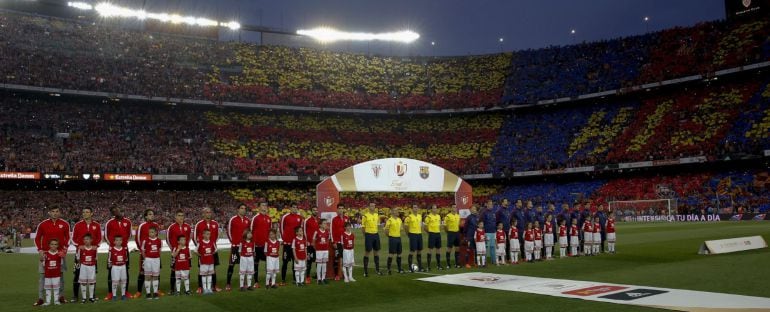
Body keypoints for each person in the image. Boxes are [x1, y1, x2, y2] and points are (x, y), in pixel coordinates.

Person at [34, 205, 70, 306]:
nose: (55, 213)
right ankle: (41, 298)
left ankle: (61, 297)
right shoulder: (43, 224)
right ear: (49, 212)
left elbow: (67, 238)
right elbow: (37, 238)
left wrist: (64, 251)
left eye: (57, 211)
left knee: (61, 276)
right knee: (42, 276)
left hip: (59, 254)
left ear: (59, 212)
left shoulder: (64, 224)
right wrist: (40, 250)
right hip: (45, 254)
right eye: (53, 211)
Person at [71, 207, 101, 302]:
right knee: (77, 274)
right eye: (83, 212)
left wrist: (96, 246)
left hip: (92, 254)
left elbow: (100, 238)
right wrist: (79, 246)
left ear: (91, 213)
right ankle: (75, 296)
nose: (85, 213)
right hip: (79, 255)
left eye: (87, 212)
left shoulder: (97, 225)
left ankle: (92, 295)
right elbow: (73, 238)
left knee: (92, 275)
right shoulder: (78, 225)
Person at [104, 206, 131, 301]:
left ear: (120, 210)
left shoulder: (127, 222)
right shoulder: (109, 223)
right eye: (113, 211)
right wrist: (113, 246)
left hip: (124, 249)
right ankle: (111, 293)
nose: (116, 212)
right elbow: (106, 236)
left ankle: (125, 292)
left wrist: (123, 245)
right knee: (110, 271)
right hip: (113, 249)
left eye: (117, 210)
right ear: (112, 213)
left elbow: (129, 234)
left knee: (126, 269)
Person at [194, 207, 220, 293]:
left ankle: (214, 286)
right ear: (203, 214)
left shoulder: (215, 224)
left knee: (213, 268)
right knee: (201, 269)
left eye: (209, 212)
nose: (208, 214)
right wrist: (200, 248)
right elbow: (194, 237)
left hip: (212, 249)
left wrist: (212, 245)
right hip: (202, 251)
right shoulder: (199, 224)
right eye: (206, 212)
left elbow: (217, 236)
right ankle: (200, 287)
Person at [134, 209, 158, 299]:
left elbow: (157, 239)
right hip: (145, 254)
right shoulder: (142, 226)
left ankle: (156, 290)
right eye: (150, 214)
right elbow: (137, 239)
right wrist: (142, 251)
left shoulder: (156, 225)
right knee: (142, 272)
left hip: (155, 254)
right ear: (146, 216)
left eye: (153, 214)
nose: (152, 215)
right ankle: (139, 291)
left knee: (156, 272)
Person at [166, 210, 192, 295]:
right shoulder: (171, 227)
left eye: (182, 215)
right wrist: (173, 249)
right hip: (176, 252)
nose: (181, 217)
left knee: (187, 270)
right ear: (175, 217)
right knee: (173, 270)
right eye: (179, 215)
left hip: (185, 252)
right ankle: (172, 289)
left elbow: (189, 238)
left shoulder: (187, 227)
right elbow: (167, 239)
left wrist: (186, 248)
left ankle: (187, 289)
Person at [226, 204, 251, 291]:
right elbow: (228, 231)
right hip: (235, 247)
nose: (243, 210)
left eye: (245, 208)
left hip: (244, 247)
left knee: (244, 266)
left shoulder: (248, 220)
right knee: (231, 265)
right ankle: (228, 283)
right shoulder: (233, 219)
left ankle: (244, 283)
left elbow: (249, 233)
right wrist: (233, 242)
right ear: (238, 209)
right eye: (241, 208)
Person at [280, 203, 303, 284]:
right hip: (287, 244)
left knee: (295, 262)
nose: (295, 209)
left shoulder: (299, 218)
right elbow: (281, 228)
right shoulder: (285, 217)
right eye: (293, 207)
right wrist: (283, 239)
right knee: (285, 262)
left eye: (296, 207)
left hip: (295, 244)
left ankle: (294, 279)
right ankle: (283, 279)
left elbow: (300, 230)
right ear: (290, 208)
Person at [251, 202, 271, 288]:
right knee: (256, 264)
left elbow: (270, 232)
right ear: (259, 207)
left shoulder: (269, 218)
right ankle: (256, 281)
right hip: (256, 246)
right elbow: (251, 231)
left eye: (265, 205)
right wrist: (252, 245)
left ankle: (269, 280)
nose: (264, 207)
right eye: (262, 205)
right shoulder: (255, 218)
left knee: (268, 263)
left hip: (266, 245)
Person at [140, 227, 162, 299]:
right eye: (149, 232)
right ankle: (148, 293)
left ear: (156, 232)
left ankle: (155, 293)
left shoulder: (159, 241)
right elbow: (143, 250)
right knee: (147, 276)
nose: (150, 233)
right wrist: (145, 258)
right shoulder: (145, 241)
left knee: (156, 276)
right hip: (148, 260)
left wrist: (157, 257)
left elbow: (159, 251)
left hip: (156, 260)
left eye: (152, 232)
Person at [361, 202, 382, 276]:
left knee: (376, 252)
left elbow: (378, 225)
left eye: (374, 206)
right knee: (367, 252)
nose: (372, 207)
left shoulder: (377, 215)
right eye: (371, 206)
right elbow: (363, 227)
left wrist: (376, 232)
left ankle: (377, 270)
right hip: (368, 235)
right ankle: (365, 271)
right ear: (369, 207)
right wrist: (365, 235)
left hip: (376, 235)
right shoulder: (365, 216)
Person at [195, 228, 217, 295]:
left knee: (210, 274)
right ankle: (204, 289)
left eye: (209, 234)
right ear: (203, 235)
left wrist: (210, 255)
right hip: (203, 262)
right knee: (204, 275)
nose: (208, 235)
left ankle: (209, 288)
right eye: (207, 234)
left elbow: (215, 250)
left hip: (211, 261)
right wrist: (201, 256)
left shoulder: (212, 242)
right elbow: (195, 251)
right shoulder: (200, 243)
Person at [76, 234, 97, 303]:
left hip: (92, 267)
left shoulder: (94, 248)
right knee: (83, 282)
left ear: (91, 240)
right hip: (83, 266)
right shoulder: (81, 248)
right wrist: (81, 265)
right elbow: (78, 258)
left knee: (91, 282)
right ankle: (84, 298)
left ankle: (91, 297)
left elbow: (96, 258)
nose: (86, 241)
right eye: (84, 239)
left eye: (87, 239)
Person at [41, 239, 63, 306]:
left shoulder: (60, 254)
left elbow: (61, 264)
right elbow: (43, 264)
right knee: (48, 288)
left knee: (56, 288)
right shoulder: (46, 254)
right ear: (49, 245)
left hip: (56, 274)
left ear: (58, 245)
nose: (54, 245)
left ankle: (56, 301)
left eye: (55, 244)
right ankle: (48, 301)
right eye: (52, 244)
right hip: (48, 275)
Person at [330, 204, 349, 281]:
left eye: (342, 208)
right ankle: (336, 275)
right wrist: (333, 242)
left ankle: (345, 274)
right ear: (337, 210)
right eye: (339, 208)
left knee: (345, 259)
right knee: (337, 258)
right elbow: (331, 231)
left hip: (344, 242)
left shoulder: (346, 218)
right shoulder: (334, 219)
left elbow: (348, 230)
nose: (341, 210)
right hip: (337, 242)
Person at [108, 236, 129, 301]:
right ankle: (114, 295)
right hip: (115, 267)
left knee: (123, 281)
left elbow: (126, 259)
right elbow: (109, 260)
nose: (118, 242)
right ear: (114, 242)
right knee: (115, 281)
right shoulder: (112, 250)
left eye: (120, 240)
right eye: (117, 240)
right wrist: (110, 265)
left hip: (123, 267)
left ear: (122, 241)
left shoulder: (124, 249)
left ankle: (123, 295)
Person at [303, 207, 320, 284]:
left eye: (316, 210)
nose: (315, 211)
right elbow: (304, 232)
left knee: (318, 260)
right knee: (309, 261)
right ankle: (307, 277)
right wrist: (307, 241)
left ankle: (317, 275)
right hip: (310, 244)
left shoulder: (320, 220)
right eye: (314, 210)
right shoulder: (307, 220)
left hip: (318, 244)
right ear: (311, 211)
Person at [405, 204, 423, 272]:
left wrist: (420, 231)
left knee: (419, 250)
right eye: (414, 207)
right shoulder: (409, 217)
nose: (416, 208)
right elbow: (406, 227)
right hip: (413, 234)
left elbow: (421, 225)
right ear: (412, 209)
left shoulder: (420, 216)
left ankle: (420, 267)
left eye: (416, 207)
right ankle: (410, 268)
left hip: (419, 234)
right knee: (412, 251)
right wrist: (409, 234)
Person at [384, 208, 404, 274]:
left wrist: (400, 230)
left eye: (397, 211)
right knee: (391, 254)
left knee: (399, 254)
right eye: (395, 211)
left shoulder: (399, 220)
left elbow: (401, 228)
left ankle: (399, 269)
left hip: (398, 238)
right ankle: (388, 269)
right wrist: (390, 236)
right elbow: (386, 230)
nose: (397, 212)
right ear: (392, 212)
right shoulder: (389, 220)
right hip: (392, 238)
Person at [424, 204, 443, 271]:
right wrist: (430, 233)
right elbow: (425, 227)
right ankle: (428, 266)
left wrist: (438, 230)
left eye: (436, 208)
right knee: (430, 250)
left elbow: (440, 224)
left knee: (438, 249)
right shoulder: (428, 217)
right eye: (434, 208)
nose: (435, 209)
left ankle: (438, 265)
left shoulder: (438, 216)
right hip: (432, 234)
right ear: (431, 209)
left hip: (438, 234)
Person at [314, 219, 331, 284]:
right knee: (319, 264)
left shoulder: (327, 232)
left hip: (325, 250)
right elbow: (313, 241)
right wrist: (317, 248)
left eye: (326, 223)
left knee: (324, 264)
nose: (325, 225)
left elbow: (328, 240)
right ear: (320, 225)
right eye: (324, 223)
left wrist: (326, 247)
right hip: (319, 251)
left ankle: (323, 278)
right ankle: (318, 279)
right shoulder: (317, 232)